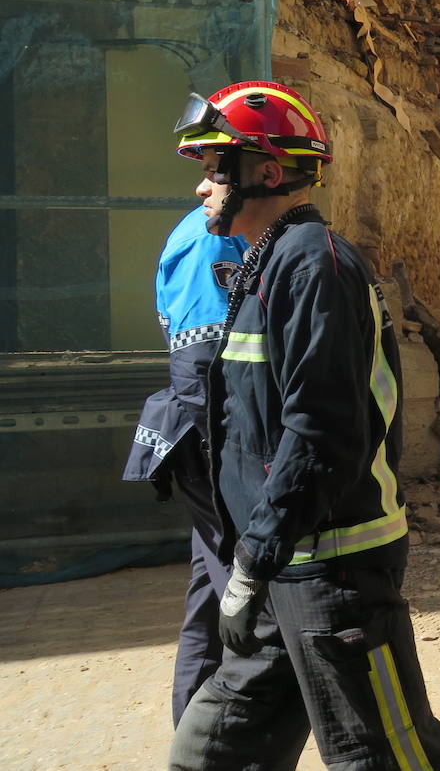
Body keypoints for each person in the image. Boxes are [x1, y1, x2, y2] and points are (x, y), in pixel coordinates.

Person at [167, 81, 440, 771]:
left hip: (333, 574)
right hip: (282, 568)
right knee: (209, 752)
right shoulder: (267, 263)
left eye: (218, 167)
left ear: (268, 173)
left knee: (385, 756)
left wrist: (254, 555)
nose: (203, 188)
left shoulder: (315, 266)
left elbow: (319, 435)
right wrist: (252, 555)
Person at [124, 208, 248, 725]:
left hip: (208, 437)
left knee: (209, 598)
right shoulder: (212, 239)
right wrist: (238, 456)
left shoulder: (230, 233)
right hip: (214, 440)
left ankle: (196, 741)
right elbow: (201, 361)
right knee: (250, 603)